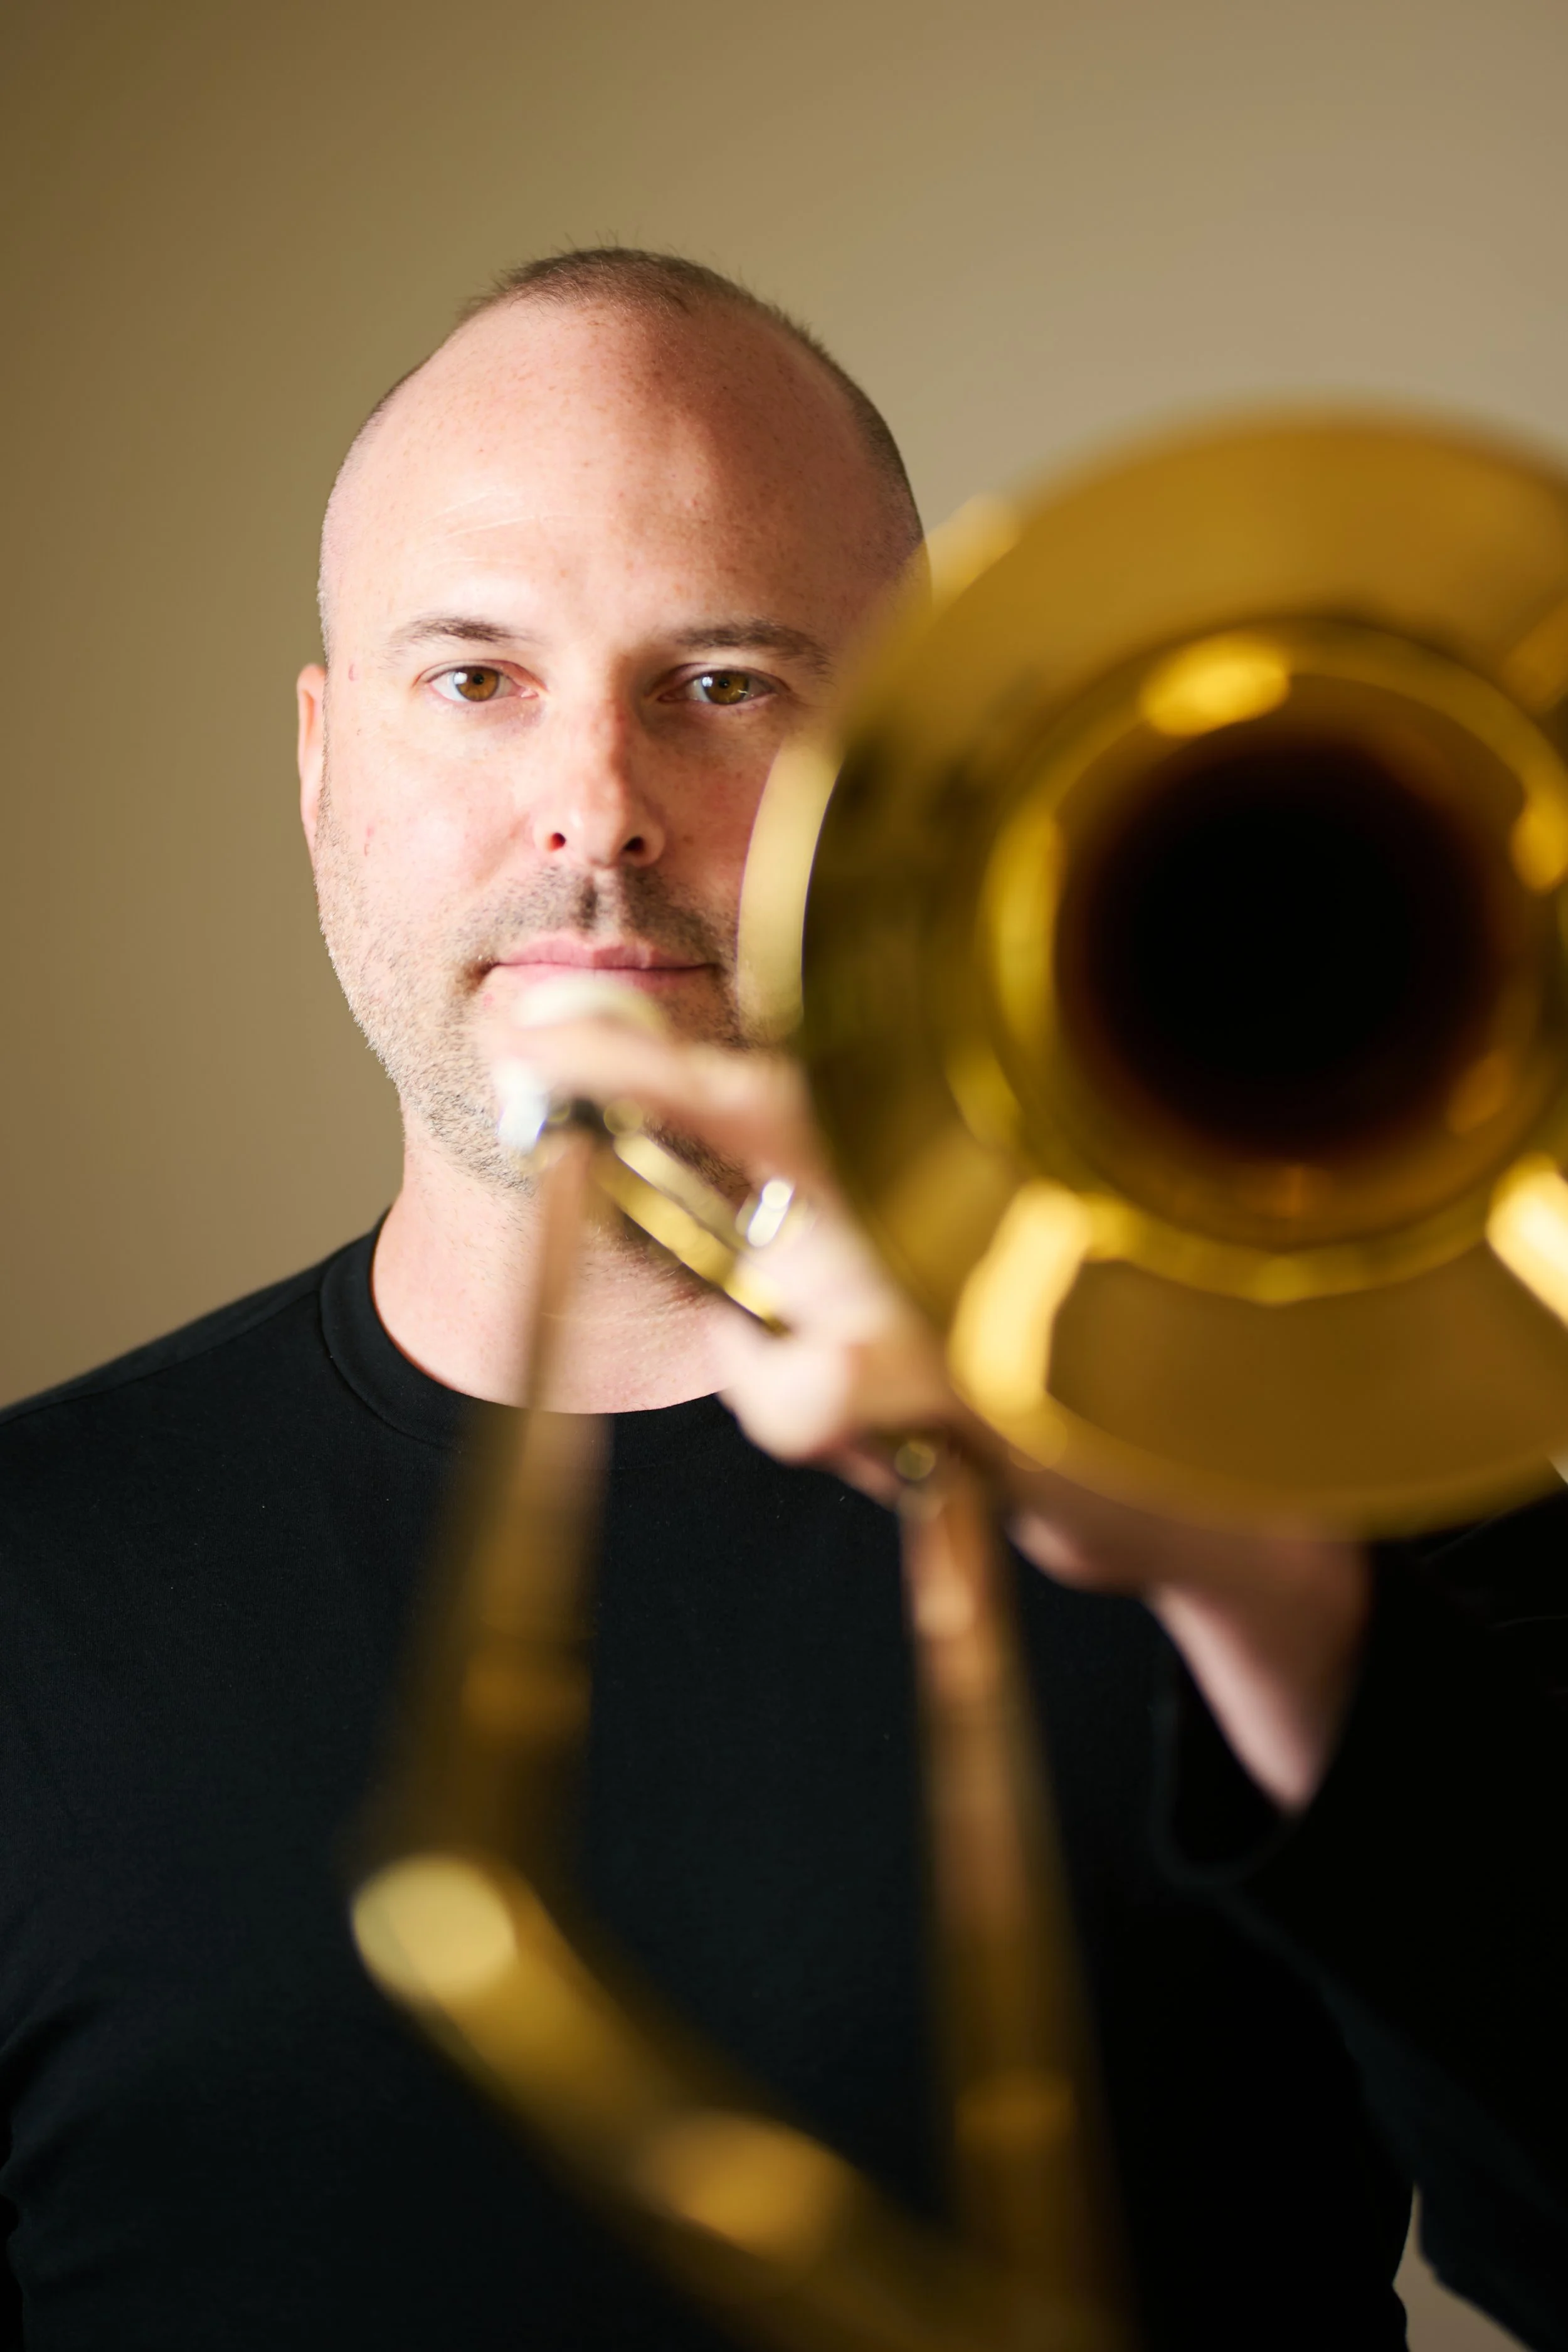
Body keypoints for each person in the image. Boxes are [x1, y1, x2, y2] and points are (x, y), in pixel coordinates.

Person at [0, 248, 1562, 2352]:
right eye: (475, 678)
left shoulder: (1339, 1483)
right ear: (319, 765)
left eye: (727, 680)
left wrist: (1256, 1583)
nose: (598, 811)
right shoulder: (30, 1568)